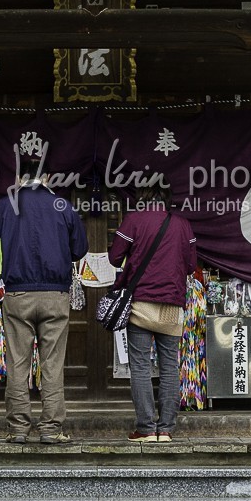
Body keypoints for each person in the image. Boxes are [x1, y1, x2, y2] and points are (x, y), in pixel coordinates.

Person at [0, 174, 87, 444]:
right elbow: (80, 249)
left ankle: (18, 428)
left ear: (18, 178)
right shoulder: (63, 206)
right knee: (52, 364)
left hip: (17, 293)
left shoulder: (5, 206)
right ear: (45, 178)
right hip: (55, 294)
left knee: (17, 363)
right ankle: (51, 429)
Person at [109, 187, 197, 443]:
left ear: (143, 200)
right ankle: (166, 429)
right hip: (172, 303)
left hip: (140, 304)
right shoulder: (182, 225)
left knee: (139, 365)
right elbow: (191, 265)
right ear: (167, 201)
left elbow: (115, 258)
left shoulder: (134, 220)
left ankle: (146, 429)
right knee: (170, 366)